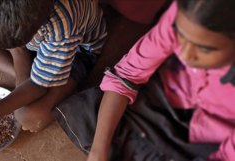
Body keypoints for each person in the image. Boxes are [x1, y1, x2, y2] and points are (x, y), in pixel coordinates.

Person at [51, 0, 235, 160]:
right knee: (86, 112)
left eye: (204, 49)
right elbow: (126, 74)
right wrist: (99, 151)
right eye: (180, 35)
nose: (185, 55)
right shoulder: (186, 17)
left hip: (214, 138)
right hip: (169, 95)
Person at [0, 0, 107, 158]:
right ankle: (21, 55)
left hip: (76, 52)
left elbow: (39, 85)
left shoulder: (64, 19)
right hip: (28, 38)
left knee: (30, 117)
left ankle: (28, 61)